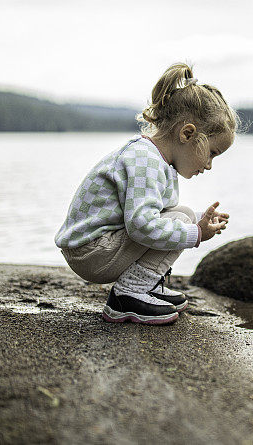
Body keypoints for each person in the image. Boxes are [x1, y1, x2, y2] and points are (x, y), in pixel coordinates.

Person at [54, 62, 237, 325]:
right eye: (212, 153)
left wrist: (200, 221)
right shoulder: (145, 160)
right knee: (184, 223)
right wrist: (196, 233)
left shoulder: (156, 159)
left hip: (97, 248)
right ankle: (128, 295)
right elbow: (142, 225)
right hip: (91, 254)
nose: (209, 165)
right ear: (187, 133)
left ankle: (144, 287)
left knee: (184, 213)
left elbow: (158, 215)